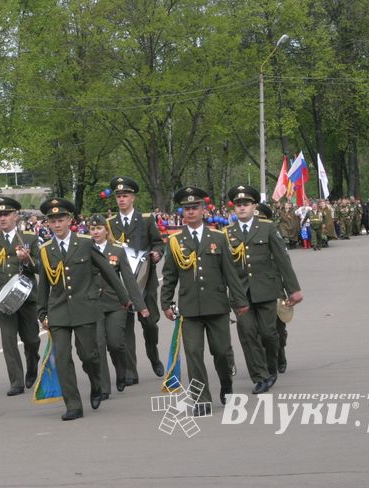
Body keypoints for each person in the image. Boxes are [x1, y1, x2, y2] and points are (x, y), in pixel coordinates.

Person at [36, 197, 131, 421]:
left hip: (85, 307)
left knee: (88, 355)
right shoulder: (45, 250)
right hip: (58, 310)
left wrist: (123, 297)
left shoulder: (86, 243)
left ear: (70, 220)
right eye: (52, 221)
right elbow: (43, 283)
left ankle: (96, 383)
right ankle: (73, 405)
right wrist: (42, 311)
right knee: (62, 358)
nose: (57, 224)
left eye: (61, 219)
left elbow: (107, 270)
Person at [161, 186, 248, 417]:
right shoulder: (174, 241)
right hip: (190, 307)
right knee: (193, 353)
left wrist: (239, 302)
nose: (190, 212)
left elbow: (230, 273)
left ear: (203, 209)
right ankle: (201, 399)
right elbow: (169, 274)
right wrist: (166, 302)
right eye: (186, 208)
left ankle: (225, 382)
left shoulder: (218, 238)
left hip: (216, 304)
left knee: (221, 352)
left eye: (195, 207)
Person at [224, 186, 304, 394]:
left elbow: (282, 260)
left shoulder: (267, 228)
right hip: (240, 294)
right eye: (238, 205)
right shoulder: (227, 233)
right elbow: (223, 267)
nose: (242, 208)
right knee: (248, 334)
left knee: (269, 334)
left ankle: (271, 365)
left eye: (246, 204)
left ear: (254, 206)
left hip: (267, 290)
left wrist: (293, 289)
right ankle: (260, 376)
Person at [0, 196, 41, 396]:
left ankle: (32, 363)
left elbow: (41, 267)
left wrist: (27, 260)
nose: (2, 218)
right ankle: (16, 381)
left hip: (27, 297)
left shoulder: (29, 238)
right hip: (4, 298)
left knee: (31, 340)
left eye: (6, 214)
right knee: (8, 340)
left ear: (15, 216)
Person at [106, 176, 165, 384]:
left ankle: (153, 356)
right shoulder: (109, 224)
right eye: (119, 196)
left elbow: (158, 243)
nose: (122, 199)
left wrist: (157, 253)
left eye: (125, 196)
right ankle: (131, 371)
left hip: (144, 281)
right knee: (125, 329)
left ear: (133, 198)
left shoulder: (146, 220)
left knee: (149, 324)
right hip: (120, 283)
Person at [88, 214, 148, 400]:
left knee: (115, 343)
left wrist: (140, 305)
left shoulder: (118, 250)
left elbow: (129, 279)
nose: (95, 231)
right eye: (92, 228)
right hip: (93, 305)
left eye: (99, 228)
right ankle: (104, 388)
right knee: (98, 345)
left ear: (107, 230)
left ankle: (122, 370)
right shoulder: (84, 249)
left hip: (116, 303)